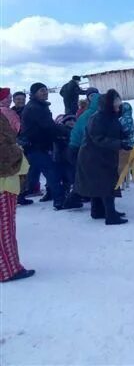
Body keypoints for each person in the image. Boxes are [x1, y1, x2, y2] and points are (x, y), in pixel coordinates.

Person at [75, 89, 129, 225]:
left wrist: (125, 139)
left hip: (102, 156)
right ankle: (110, 216)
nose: (118, 106)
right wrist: (119, 143)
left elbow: (115, 131)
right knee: (106, 184)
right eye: (116, 104)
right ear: (108, 104)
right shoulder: (98, 118)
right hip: (93, 157)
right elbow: (98, 138)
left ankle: (98, 211)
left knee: (99, 184)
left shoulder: (110, 116)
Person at [19, 83, 68, 210]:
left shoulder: (39, 106)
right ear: (34, 93)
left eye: (46, 90)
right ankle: (59, 201)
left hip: (37, 145)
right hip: (36, 146)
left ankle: (21, 196)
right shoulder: (35, 108)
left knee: (33, 174)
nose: (45, 92)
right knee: (52, 172)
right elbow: (48, 126)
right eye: (41, 90)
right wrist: (66, 130)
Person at [0, 113, 34, 282]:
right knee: (4, 228)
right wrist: (18, 154)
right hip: (4, 182)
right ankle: (7, 270)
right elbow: (5, 151)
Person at [52, 115, 80, 209]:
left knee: (68, 181)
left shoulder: (74, 132)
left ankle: (64, 200)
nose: (71, 122)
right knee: (66, 180)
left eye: (73, 120)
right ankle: (62, 201)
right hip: (63, 160)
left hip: (68, 160)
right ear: (64, 122)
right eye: (69, 120)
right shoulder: (62, 130)